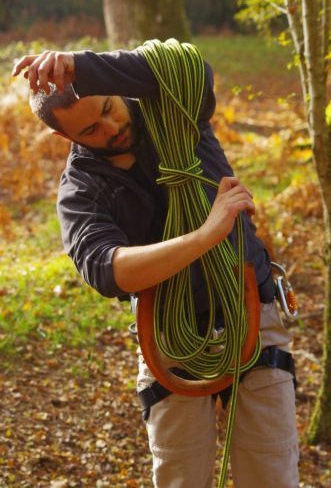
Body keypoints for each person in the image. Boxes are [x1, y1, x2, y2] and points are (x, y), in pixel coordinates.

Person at [12, 43, 299, 487]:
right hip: (168, 339)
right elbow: (108, 270)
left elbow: (191, 68)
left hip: (253, 315)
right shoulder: (81, 191)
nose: (111, 127)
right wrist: (205, 235)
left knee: (272, 476)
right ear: (63, 138)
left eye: (109, 108)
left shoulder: (173, 112)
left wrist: (83, 65)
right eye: (90, 128)